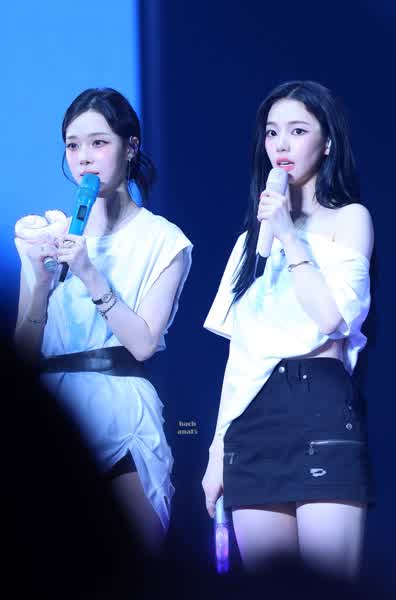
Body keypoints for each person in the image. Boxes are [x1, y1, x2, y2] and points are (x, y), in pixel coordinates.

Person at [201, 80, 374, 578]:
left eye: (297, 131)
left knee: (329, 583)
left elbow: (331, 319)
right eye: (272, 132)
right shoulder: (247, 244)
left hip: (319, 406)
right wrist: (216, 450)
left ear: (327, 142)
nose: (281, 144)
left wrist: (288, 236)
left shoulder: (350, 219)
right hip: (251, 419)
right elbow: (241, 356)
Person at [14, 87, 192, 554]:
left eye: (98, 142)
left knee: (132, 558)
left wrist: (90, 273)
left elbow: (143, 344)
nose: (84, 157)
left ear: (130, 146)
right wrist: (39, 283)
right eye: (73, 145)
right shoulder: (50, 234)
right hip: (56, 411)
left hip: (120, 408)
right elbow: (24, 354)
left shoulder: (162, 240)